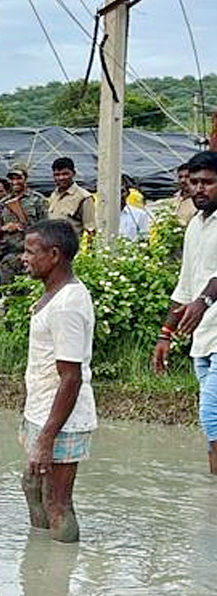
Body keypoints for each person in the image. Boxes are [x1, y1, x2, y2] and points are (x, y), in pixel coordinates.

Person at [19, 219, 95, 544]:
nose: (23, 258)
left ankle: (58, 580)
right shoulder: (54, 294)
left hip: (63, 421)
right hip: (43, 412)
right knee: (32, 486)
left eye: (29, 251)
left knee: (57, 503)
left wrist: (47, 438)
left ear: (54, 255)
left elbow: (71, 377)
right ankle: (39, 567)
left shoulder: (67, 305)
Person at [153, 150, 217, 474]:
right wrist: (166, 334)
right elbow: (185, 286)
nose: (199, 189)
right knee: (212, 425)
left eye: (207, 182)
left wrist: (204, 300)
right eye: (194, 182)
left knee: (211, 414)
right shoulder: (195, 225)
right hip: (202, 339)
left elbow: (206, 287)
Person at [0, 164, 48, 287]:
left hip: (31, 255)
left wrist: (24, 227)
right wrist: (5, 228)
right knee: (8, 293)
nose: (15, 182)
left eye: (18, 178)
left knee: (30, 294)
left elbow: (45, 227)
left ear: (25, 178)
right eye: (12, 179)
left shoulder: (37, 200)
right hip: (8, 256)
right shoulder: (3, 203)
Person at [46, 156, 95, 239]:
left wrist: (88, 251)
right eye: (57, 175)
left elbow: (90, 230)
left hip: (71, 247)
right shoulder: (54, 195)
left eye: (65, 174)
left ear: (73, 173)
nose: (61, 178)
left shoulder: (84, 197)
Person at [158, 162, 197, 226]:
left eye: (187, 177)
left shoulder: (198, 202)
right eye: (180, 177)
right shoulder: (173, 199)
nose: (183, 180)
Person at [118, 174, 151, 240]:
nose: (119, 195)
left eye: (122, 191)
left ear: (128, 193)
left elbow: (144, 239)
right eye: (116, 192)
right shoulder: (101, 216)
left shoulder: (140, 215)